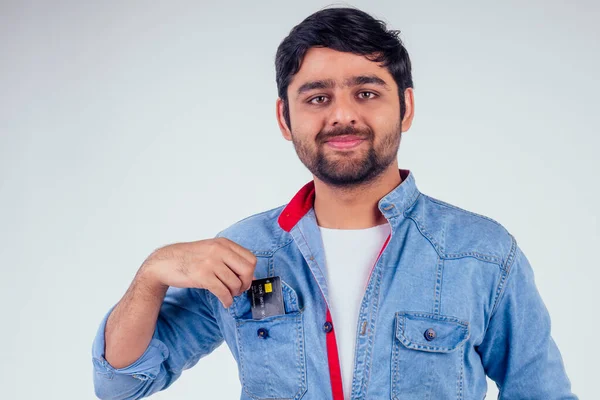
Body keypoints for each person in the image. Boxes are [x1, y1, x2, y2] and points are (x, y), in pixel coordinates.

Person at [91, 6, 577, 400]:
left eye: (366, 92)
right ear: (285, 118)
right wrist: (152, 272)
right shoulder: (242, 252)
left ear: (406, 108)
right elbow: (120, 384)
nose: (343, 115)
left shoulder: (483, 254)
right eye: (317, 98)